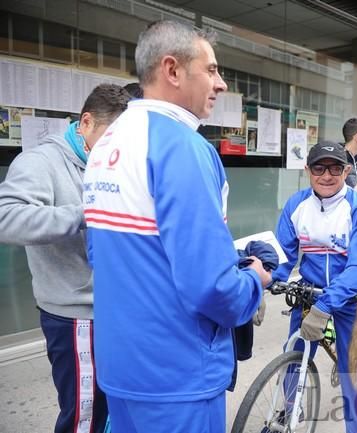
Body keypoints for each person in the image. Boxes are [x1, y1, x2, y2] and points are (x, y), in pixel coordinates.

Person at [82, 20, 271, 433]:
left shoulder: (108, 143)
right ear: (172, 70)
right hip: (178, 376)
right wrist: (255, 281)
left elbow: (100, 254)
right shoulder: (185, 147)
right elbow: (212, 287)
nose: (221, 84)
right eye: (212, 70)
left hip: (121, 367)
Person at [0, 83, 131, 433]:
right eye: (109, 138)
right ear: (85, 122)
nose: (116, 149)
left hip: (114, 310)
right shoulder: (41, 161)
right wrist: (84, 213)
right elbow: (6, 217)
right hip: (75, 316)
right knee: (82, 417)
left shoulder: (110, 161)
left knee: (110, 409)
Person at [273, 140, 357, 433]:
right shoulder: (297, 204)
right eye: (319, 167)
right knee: (292, 355)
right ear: (308, 170)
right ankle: (291, 411)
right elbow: (282, 256)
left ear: (346, 171)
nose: (327, 175)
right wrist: (263, 282)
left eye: (335, 168)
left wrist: (325, 307)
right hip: (310, 294)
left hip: (351, 298)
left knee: (353, 374)